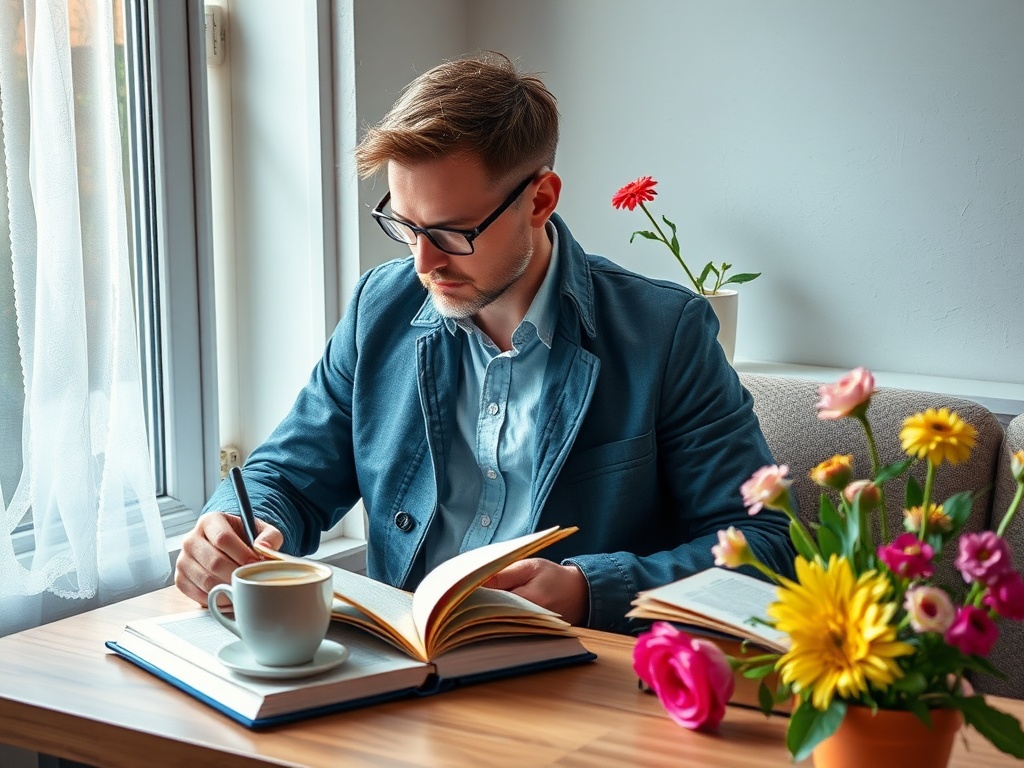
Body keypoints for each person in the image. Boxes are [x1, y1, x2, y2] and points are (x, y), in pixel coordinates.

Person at [174, 52, 794, 633]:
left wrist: (589, 588)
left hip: (574, 675)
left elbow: (764, 545)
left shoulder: (663, 332)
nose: (423, 262)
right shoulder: (378, 310)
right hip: (402, 670)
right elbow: (286, 477)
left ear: (540, 200)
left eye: (450, 231)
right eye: (404, 224)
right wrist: (231, 526)